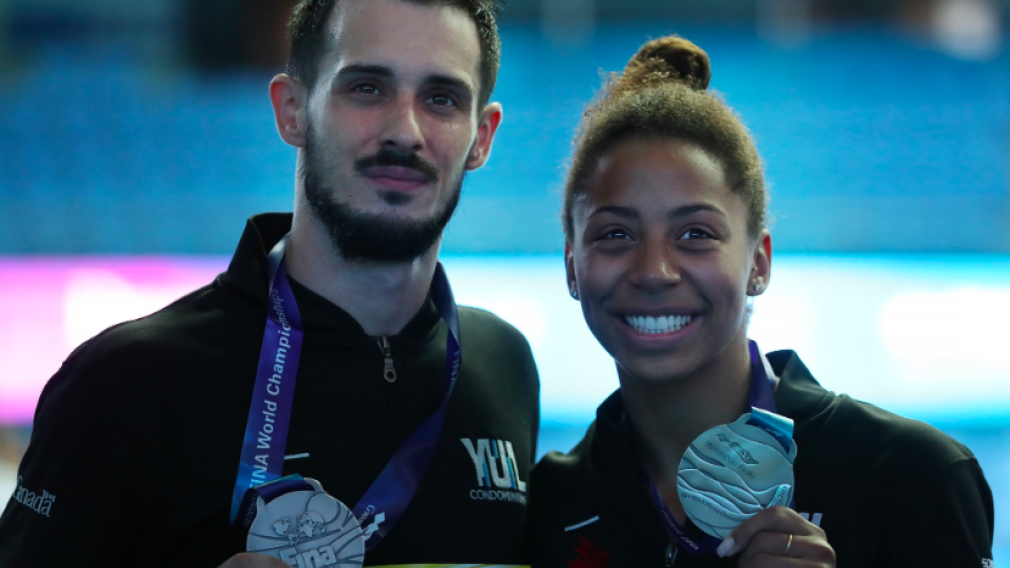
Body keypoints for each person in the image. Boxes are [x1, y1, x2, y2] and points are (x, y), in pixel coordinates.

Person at [0, 0, 540, 566]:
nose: (405, 131)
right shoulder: (122, 385)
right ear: (293, 110)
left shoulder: (502, 365)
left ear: (482, 137)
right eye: (366, 88)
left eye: (441, 99)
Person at [528, 36, 994, 567]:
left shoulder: (912, 475)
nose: (654, 271)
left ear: (759, 263)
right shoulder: (551, 502)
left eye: (696, 233)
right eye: (615, 235)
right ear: (571, 266)